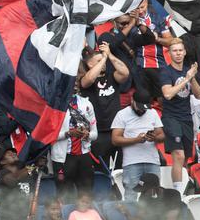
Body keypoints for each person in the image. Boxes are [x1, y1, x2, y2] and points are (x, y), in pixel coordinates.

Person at [159, 38, 200, 197]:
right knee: (179, 155)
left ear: (184, 52)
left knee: (185, 159)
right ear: (169, 53)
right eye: (174, 51)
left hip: (186, 118)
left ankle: (182, 191)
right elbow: (168, 94)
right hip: (171, 118)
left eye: (180, 50)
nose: (177, 53)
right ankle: (177, 195)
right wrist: (185, 79)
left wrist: (192, 77)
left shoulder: (187, 70)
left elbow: (199, 95)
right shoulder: (166, 71)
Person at [79, 40, 131, 168]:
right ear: (89, 64)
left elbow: (125, 73)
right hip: (97, 132)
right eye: (97, 61)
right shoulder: (85, 78)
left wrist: (110, 56)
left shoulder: (112, 76)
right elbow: (89, 80)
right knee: (101, 169)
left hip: (116, 130)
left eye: (103, 61)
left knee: (120, 169)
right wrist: (104, 58)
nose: (103, 63)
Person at [111, 89, 165, 200]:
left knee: (154, 194)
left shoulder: (153, 112)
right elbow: (115, 139)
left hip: (152, 160)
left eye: (144, 108)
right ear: (132, 101)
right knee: (131, 194)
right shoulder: (122, 114)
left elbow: (162, 136)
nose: (142, 111)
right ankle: (131, 217)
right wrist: (136, 140)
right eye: (140, 107)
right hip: (132, 162)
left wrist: (154, 137)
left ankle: (154, 216)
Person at [51, 87, 97, 201]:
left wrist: (88, 135)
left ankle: (85, 219)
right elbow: (48, 135)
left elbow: (95, 133)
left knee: (86, 196)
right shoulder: (53, 105)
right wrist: (68, 133)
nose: (74, 85)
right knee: (64, 197)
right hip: (63, 158)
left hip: (84, 156)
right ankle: (65, 218)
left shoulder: (87, 104)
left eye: (76, 82)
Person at [0, 146, 35, 220]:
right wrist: (31, 166)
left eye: (14, 153)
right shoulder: (1, 175)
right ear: (2, 161)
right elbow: (12, 180)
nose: (13, 154)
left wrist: (32, 213)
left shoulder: (26, 176)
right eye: (9, 154)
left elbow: (32, 196)